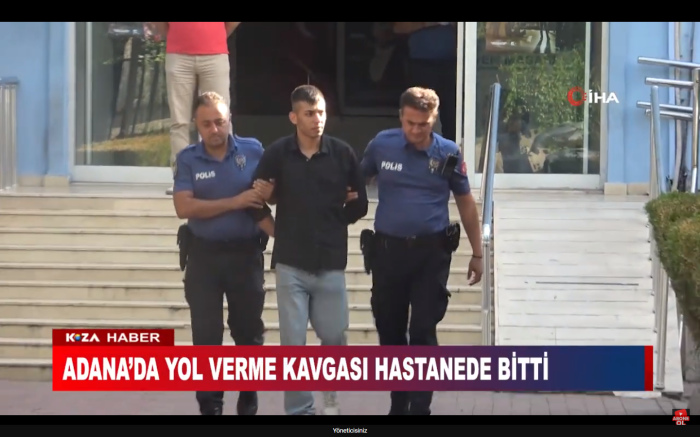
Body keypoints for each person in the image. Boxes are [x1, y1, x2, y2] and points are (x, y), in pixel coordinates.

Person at [360, 87, 483, 415]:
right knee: (390, 329)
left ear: (434, 119)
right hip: (388, 253)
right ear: (401, 117)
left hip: (431, 255)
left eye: (424, 124)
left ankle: (420, 407)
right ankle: (398, 402)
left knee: (422, 330)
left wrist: (478, 253)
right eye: (410, 123)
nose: (416, 130)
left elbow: (466, 202)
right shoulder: (382, 145)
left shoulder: (448, 153)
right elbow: (355, 183)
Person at [251, 85, 369, 415]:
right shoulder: (277, 153)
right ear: (294, 117)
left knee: (334, 335)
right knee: (293, 343)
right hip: (291, 264)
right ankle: (300, 409)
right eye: (309, 113)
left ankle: (331, 396)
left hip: (330, 260)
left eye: (321, 113)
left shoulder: (342, 153)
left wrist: (338, 218)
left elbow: (360, 203)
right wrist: (278, 232)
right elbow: (255, 200)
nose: (317, 119)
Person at [172, 91, 274, 416]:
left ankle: (248, 397)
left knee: (248, 332)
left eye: (220, 121)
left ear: (230, 119)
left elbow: (273, 192)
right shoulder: (188, 159)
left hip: (246, 255)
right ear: (196, 125)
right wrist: (235, 202)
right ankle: (211, 405)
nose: (215, 129)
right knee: (206, 336)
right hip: (203, 258)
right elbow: (183, 207)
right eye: (207, 124)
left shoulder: (253, 150)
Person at [151, 22, 241, 195]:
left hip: (214, 55)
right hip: (178, 55)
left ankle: (225, 176)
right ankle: (182, 182)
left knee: (220, 119)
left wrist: (217, 36)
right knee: (179, 122)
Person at [393, 22, 457, 142]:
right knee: (418, 112)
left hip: (453, 65)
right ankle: (415, 150)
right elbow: (398, 28)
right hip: (421, 65)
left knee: (452, 117)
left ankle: (451, 152)